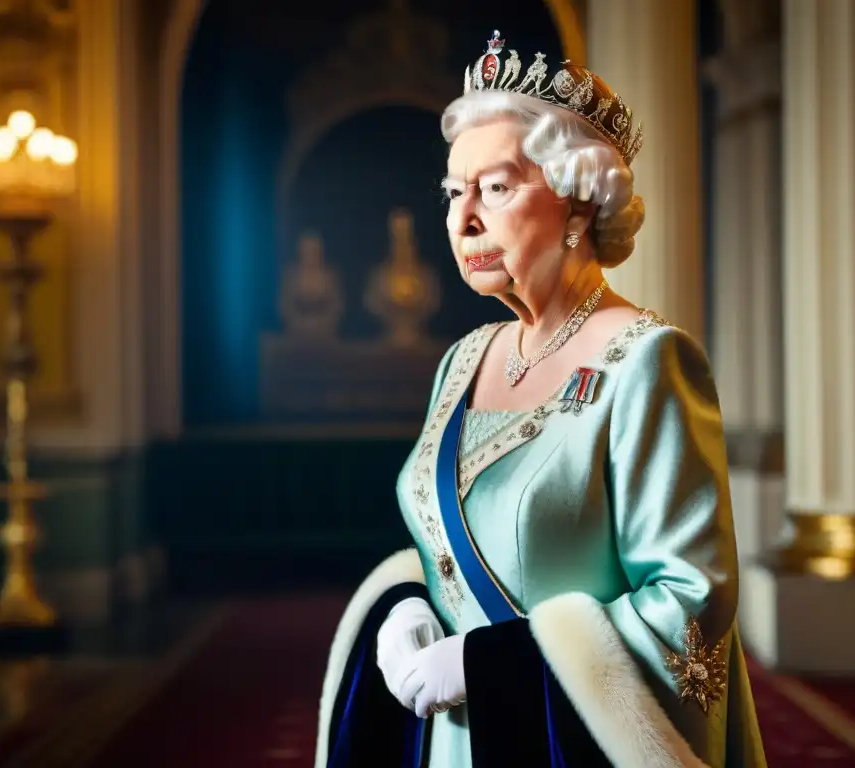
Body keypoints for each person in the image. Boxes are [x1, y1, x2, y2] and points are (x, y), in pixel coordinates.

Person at [314, 29, 767, 768]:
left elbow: (691, 607)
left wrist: (495, 666)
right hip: (450, 738)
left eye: (496, 187)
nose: (463, 220)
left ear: (578, 205)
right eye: (454, 192)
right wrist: (403, 605)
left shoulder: (647, 361)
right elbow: (454, 551)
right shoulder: (464, 359)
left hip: (564, 743)